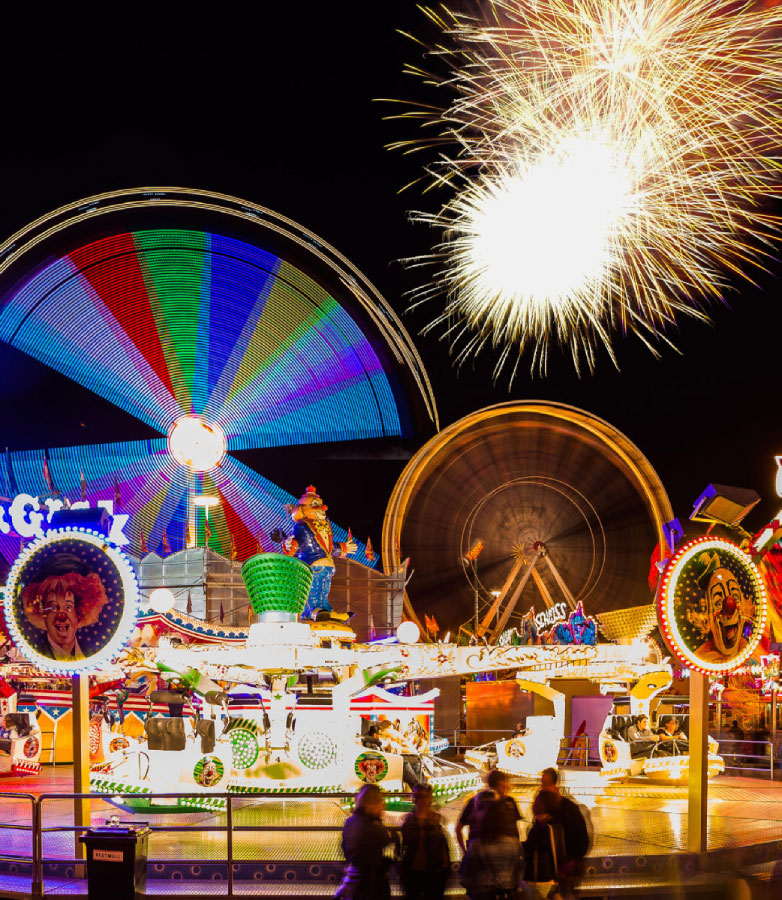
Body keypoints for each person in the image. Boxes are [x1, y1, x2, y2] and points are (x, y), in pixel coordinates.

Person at [457, 769, 522, 900]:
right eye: (504, 785)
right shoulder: (508, 803)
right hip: (503, 879)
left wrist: (466, 850)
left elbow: (459, 827)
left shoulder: (475, 801)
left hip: (481, 879)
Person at [22, 569, 109, 661]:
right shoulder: (34, 657)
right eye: (53, 607)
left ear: (79, 613)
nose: (61, 616)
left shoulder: (93, 655)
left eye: (68, 607)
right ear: (42, 614)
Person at [339, 783, 396, 900]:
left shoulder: (350, 822)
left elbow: (344, 847)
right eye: (380, 801)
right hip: (372, 882)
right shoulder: (373, 825)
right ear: (372, 803)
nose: (383, 806)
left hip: (354, 879)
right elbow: (385, 839)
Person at [539, 768, 590, 898]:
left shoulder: (569, 809)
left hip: (567, 868)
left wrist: (569, 863)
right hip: (555, 868)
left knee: (566, 895)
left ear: (554, 786)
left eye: (545, 784)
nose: (542, 788)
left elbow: (582, 840)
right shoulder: (547, 809)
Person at [399, 784, 450, 900]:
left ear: (430, 798)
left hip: (434, 871)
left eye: (425, 797)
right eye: (419, 797)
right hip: (414, 871)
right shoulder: (410, 821)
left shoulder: (437, 820)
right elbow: (407, 844)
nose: (422, 800)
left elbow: (442, 846)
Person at [523, 790, 566, 899]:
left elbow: (528, 849)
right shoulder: (557, 827)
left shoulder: (541, 829)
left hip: (539, 879)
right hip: (553, 879)